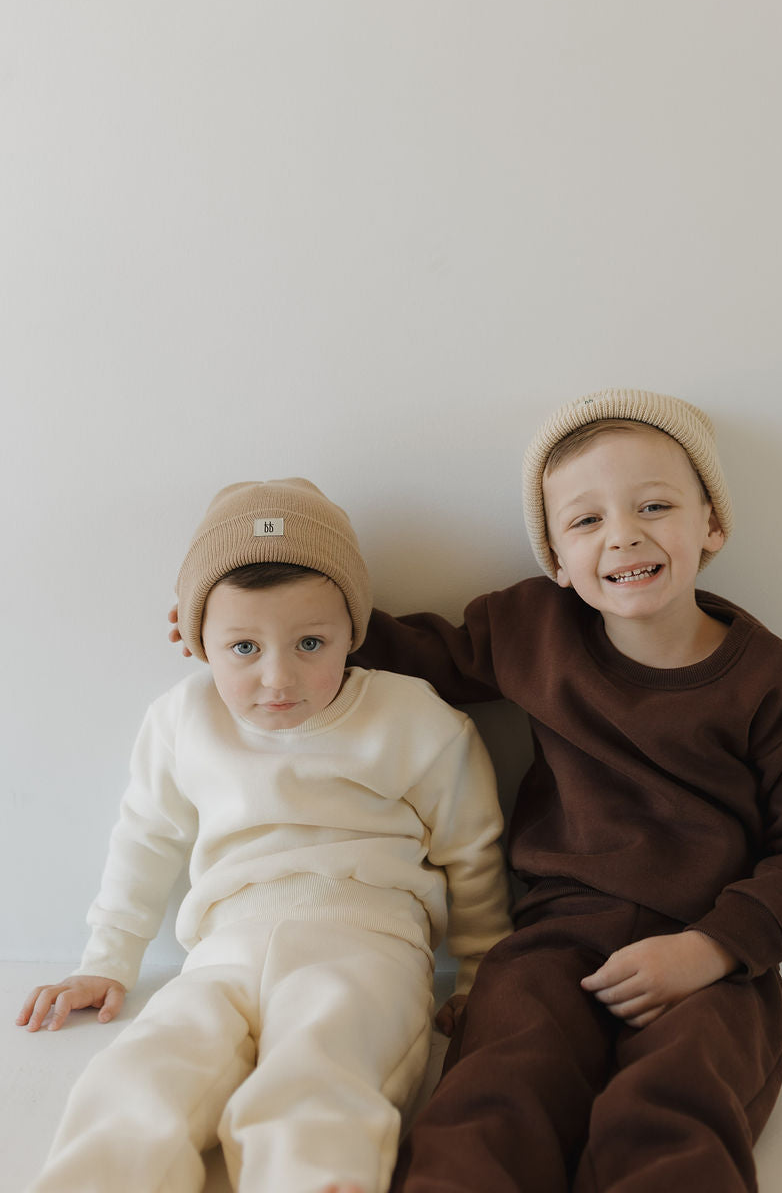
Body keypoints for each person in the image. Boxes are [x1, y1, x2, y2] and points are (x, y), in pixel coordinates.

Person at [351, 388, 782, 1193]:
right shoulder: (533, 627)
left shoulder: (766, 679)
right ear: (555, 557)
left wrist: (714, 950)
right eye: (586, 521)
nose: (623, 533)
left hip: (709, 944)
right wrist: (287, 624)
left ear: (711, 526)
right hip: (558, 932)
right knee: (498, 1080)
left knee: (679, 1097)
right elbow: (422, 655)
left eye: (654, 505)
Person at [17, 478, 511, 1193]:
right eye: (243, 647)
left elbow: (473, 849)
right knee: (147, 1069)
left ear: (353, 631)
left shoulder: (414, 720)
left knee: (325, 1066)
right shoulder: (182, 719)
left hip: (367, 943)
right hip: (222, 949)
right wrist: (108, 961)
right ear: (195, 641)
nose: (278, 677)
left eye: (310, 642)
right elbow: (146, 838)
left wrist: (480, 974)